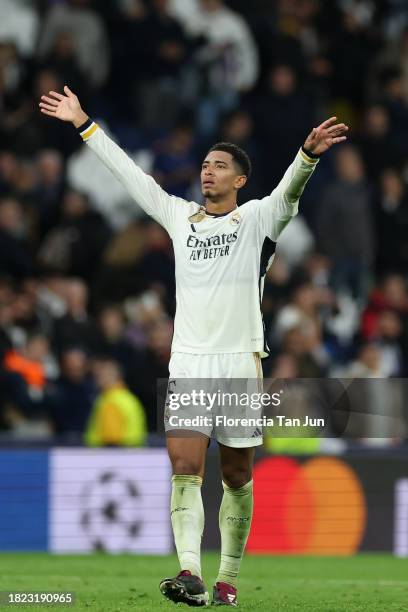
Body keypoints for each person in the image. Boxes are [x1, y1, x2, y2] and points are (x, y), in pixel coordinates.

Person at [38, 85, 348, 607]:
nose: (208, 171)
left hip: (238, 360)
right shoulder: (180, 218)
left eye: (220, 165)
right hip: (188, 360)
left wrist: (308, 155)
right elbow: (131, 177)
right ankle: (190, 574)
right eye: (205, 163)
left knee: (236, 475)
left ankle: (227, 578)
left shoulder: (256, 221)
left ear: (240, 179)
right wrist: (83, 123)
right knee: (184, 468)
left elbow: (290, 193)